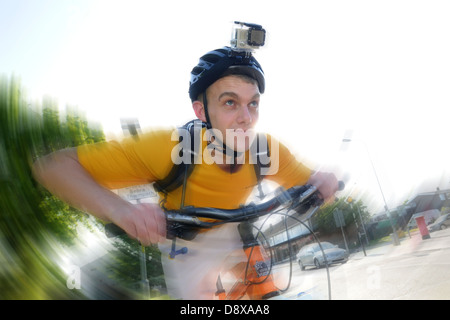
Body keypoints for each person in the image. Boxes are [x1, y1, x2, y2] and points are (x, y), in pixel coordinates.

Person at [32, 46, 339, 299]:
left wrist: (323, 181)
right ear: (202, 111)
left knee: (267, 290)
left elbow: (311, 181)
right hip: (186, 243)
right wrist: (120, 210)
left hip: (239, 230)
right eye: (230, 102)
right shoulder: (172, 148)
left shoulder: (265, 150)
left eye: (253, 104)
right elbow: (52, 167)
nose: (246, 118)